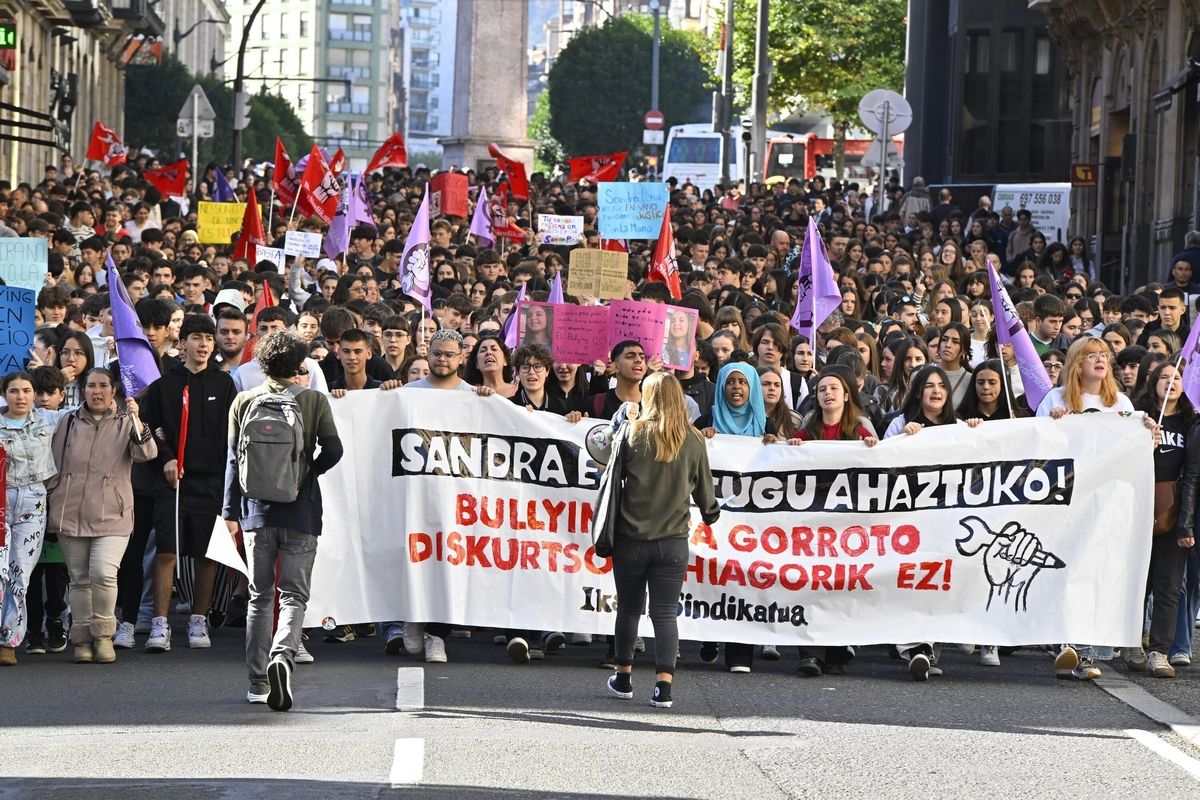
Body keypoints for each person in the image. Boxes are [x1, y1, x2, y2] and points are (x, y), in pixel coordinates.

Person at [222, 331, 343, 710]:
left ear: (263, 365)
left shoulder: (243, 401)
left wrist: (230, 513)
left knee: (260, 596)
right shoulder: (313, 400)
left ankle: (257, 683)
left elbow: (232, 460)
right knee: (294, 595)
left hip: (256, 511)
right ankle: (282, 656)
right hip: (301, 509)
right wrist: (306, 472)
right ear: (298, 366)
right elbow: (334, 450)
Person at [1037, 336, 1151, 680]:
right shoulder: (1055, 399)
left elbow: (1133, 448)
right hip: (1069, 500)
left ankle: (1084, 652)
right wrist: (1054, 425)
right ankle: (1070, 645)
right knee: (1069, 571)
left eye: (1104, 355)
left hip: (1107, 503)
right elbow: (1037, 449)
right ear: (1077, 363)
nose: (1100, 361)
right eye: (1091, 356)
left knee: (1096, 574)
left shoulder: (1121, 402)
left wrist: (1147, 432)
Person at [605, 372, 720, 708]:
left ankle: (623, 677)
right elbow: (707, 499)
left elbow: (610, 473)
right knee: (665, 613)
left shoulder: (632, 432)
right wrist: (711, 514)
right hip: (672, 542)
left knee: (628, 609)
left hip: (630, 538)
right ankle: (663, 687)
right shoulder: (694, 439)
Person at [391, 330, 495, 662]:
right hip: (415, 491)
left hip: (456, 496)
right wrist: (382, 394)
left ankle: (438, 633)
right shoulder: (408, 393)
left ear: (461, 358)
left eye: (450, 354)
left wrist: (489, 404)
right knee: (414, 556)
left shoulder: (474, 396)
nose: (442, 359)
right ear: (428, 352)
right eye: (437, 353)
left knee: (448, 561)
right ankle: (412, 617)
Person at [140, 314, 238, 653]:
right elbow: (150, 428)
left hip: (212, 482)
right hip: (172, 481)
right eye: (197, 337)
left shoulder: (224, 384)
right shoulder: (166, 383)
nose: (204, 344)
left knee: (207, 553)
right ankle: (160, 623)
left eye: (209, 338)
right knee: (167, 551)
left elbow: (233, 435)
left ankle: (199, 618)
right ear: (183, 343)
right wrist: (166, 455)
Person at [46, 369, 157, 664]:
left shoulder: (125, 421)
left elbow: (147, 453)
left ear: (114, 390)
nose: (97, 391)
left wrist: (136, 418)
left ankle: (105, 633)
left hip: (113, 514)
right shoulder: (67, 421)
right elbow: (52, 466)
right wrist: (52, 500)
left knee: (103, 574)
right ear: (83, 390)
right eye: (91, 386)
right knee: (79, 579)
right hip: (70, 512)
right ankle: (82, 639)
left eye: (103, 386)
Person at [884, 365, 982, 680]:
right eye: (929, 386)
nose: (937, 391)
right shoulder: (899, 424)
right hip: (908, 522)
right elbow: (882, 467)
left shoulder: (956, 425)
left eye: (942, 385)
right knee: (911, 582)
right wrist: (902, 439)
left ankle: (928, 648)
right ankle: (916, 648)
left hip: (945, 521)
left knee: (938, 584)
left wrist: (976, 433)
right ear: (917, 392)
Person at [787, 365, 878, 677]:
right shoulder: (808, 428)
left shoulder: (861, 429)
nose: (827, 394)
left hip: (849, 523)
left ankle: (837, 650)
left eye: (833, 389)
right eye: (822, 389)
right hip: (814, 520)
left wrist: (872, 450)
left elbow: (881, 465)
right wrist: (790, 447)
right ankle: (810, 653)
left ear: (846, 395)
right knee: (813, 582)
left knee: (842, 582)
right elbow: (784, 462)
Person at [694, 361, 778, 673]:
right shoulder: (706, 420)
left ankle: (741, 653)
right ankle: (709, 638)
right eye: (731, 383)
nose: (737, 388)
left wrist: (776, 446)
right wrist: (700, 437)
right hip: (713, 518)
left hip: (750, 521)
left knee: (744, 579)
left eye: (743, 382)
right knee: (712, 575)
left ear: (752, 388)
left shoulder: (766, 426)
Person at [0, 373, 72, 665]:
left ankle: (8, 641)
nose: (21, 396)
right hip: (1, 499)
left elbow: (95, 410)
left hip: (34, 500)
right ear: (4, 394)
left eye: (26, 391)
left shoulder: (49, 419)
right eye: (14, 391)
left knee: (19, 575)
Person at [1129, 359, 1194, 678]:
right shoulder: (1137, 418)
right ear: (1152, 382)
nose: (1171, 381)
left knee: (1169, 585)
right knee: (1136, 582)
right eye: (1164, 376)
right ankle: (1130, 644)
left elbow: (1194, 473)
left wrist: (1187, 521)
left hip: (1172, 512)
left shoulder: (1189, 423)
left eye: (1177, 376)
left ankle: (1159, 652)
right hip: (1136, 508)